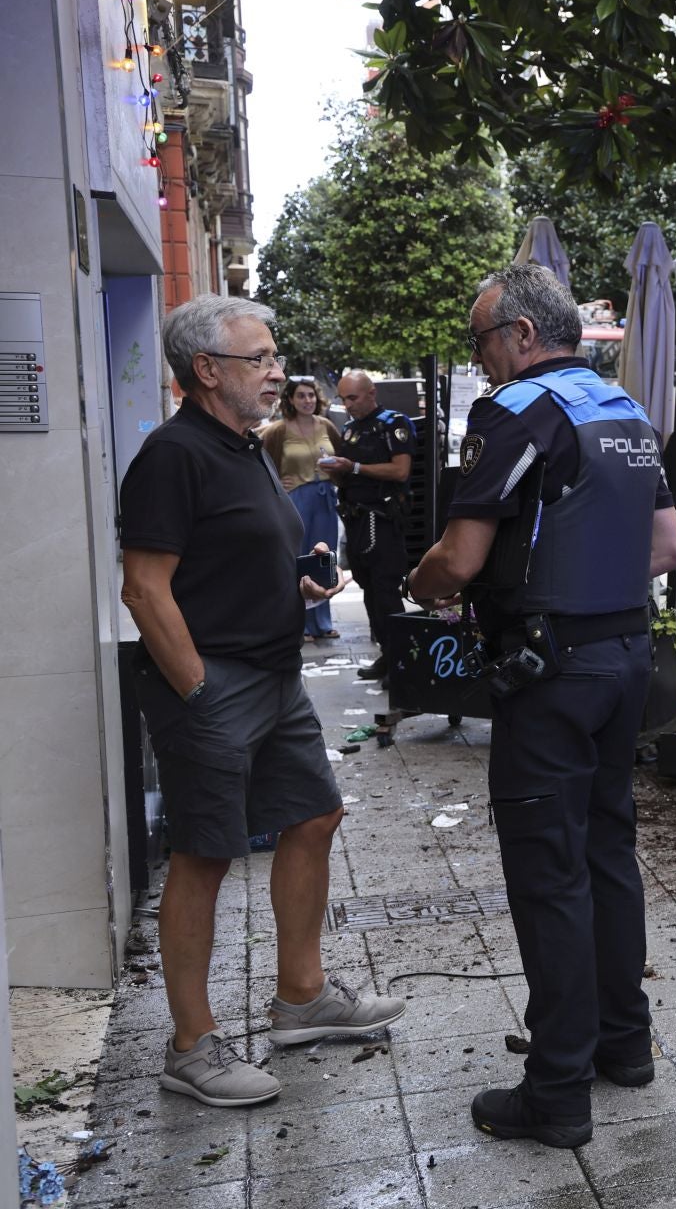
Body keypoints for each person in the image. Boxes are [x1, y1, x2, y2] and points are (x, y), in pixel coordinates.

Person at [407, 263, 676, 1148]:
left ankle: (557, 1090)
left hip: (550, 673)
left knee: (548, 874)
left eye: (483, 341)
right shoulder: (626, 411)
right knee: (609, 851)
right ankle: (624, 1043)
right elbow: (670, 546)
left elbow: (455, 560)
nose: (481, 361)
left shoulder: (518, 411)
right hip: (626, 659)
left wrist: (424, 584)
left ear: (525, 336)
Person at [119, 295, 402, 1108]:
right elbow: (145, 588)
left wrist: (301, 579)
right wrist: (199, 691)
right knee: (206, 853)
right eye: (261, 359)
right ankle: (191, 1045)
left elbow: (227, 556)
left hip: (275, 677)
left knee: (314, 816)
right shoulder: (174, 455)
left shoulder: (242, 447)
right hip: (214, 683)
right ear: (207, 370)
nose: (279, 371)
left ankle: (302, 999)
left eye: (275, 358)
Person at [320, 371, 415, 683]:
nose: (347, 405)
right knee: (369, 592)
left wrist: (355, 467)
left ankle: (401, 663)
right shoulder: (348, 431)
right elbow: (349, 476)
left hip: (383, 520)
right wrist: (334, 471)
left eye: (353, 398)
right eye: (343, 398)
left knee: (387, 592)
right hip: (356, 520)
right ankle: (387, 656)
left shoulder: (393, 423)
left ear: (371, 393)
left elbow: (401, 471)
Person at [262, 378, 346, 641]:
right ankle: (302, 624)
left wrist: (337, 475)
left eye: (311, 395)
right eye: (301, 396)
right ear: (291, 400)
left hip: (325, 500)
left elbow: (342, 460)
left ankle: (323, 622)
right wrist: (277, 484)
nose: (307, 400)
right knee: (298, 559)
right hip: (295, 499)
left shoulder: (327, 426)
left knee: (325, 557)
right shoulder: (278, 430)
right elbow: (260, 462)